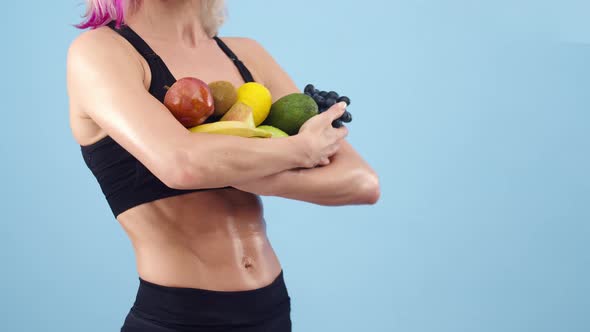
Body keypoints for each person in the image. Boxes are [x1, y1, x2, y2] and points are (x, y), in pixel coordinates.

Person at [67, 0, 380, 331]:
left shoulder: (248, 54)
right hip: (180, 317)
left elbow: (362, 182)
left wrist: (248, 175)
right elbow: (182, 165)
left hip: (271, 310)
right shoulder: (101, 52)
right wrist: (300, 151)